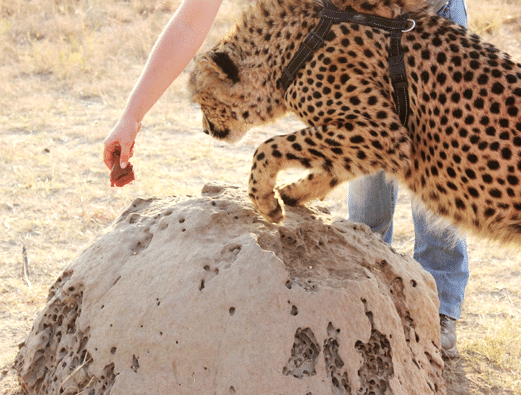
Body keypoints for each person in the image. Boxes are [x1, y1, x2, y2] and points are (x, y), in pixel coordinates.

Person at [104, 0, 468, 358]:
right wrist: (131, 117)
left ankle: (439, 308)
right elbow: (189, 22)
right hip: (355, 26)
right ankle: (369, 302)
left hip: (426, 20)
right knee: (364, 177)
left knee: (436, 173)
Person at [348, 0, 469, 358]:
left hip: (435, 17)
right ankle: (363, 292)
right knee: (368, 155)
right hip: (365, 18)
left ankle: (439, 307)